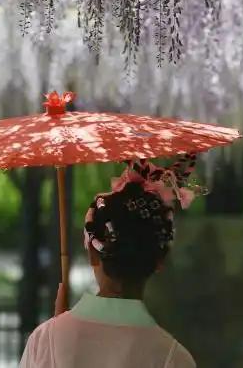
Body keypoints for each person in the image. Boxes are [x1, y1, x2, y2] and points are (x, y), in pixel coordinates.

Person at [20, 157, 199, 368]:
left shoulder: (44, 341)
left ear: (92, 254)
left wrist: (55, 335)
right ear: (159, 261)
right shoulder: (173, 358)